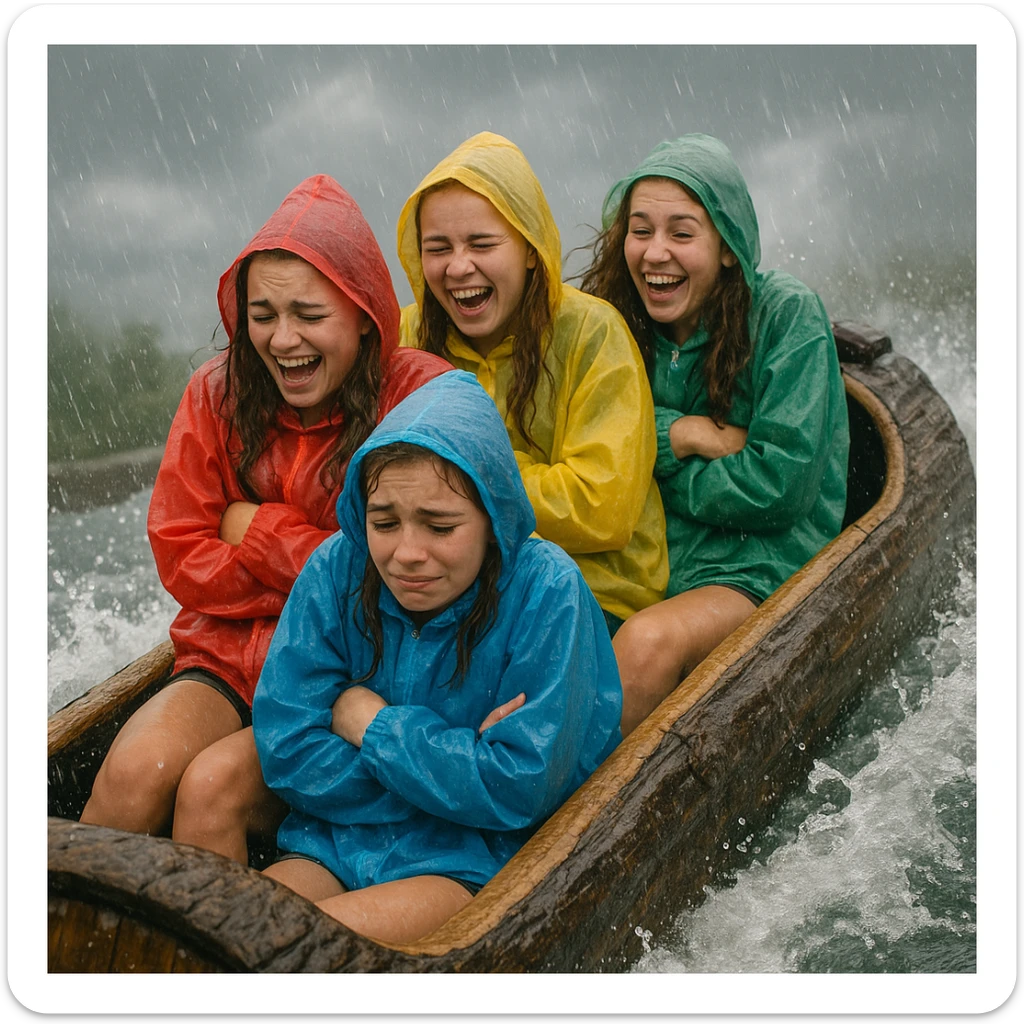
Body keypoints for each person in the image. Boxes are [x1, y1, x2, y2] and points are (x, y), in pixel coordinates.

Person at [79, 175, 452, 851]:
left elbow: (402, 573)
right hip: (226, 659)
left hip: (359, 674)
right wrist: (315, 566)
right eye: (263, 314)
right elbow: (181, 551)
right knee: (135, 775)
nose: (282, 340)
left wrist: (253, 528)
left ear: (365, 313)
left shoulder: (421, 395)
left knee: (208, 790)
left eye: (309, 316)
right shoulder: (214, 393)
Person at [252, 370, 622, 944]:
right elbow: (286, 750)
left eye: (440, 526)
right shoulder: (335, 568)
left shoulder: (548, 592)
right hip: (331, 843)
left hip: (471, 863)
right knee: (241, 937)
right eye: (383, 523)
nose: (406, 554)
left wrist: (371, 726)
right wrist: (457, 766)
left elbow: (520, 785)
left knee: (306, 953)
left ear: (494, 520)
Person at [581, 134, 850, 736]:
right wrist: (680, 433)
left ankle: (562, 823)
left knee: (646, 641)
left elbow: (780, 486)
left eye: (682, 233)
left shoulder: (787, 315)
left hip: (759, 564)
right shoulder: (615, 318)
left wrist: (659, 469)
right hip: (649, 553)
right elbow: (586, 440)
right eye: (640, 230)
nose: (655, 253)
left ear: (727, 247)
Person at [396, 131, 668, 637]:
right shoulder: (406, 336)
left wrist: (467, 479)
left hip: (592, 592)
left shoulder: (592, 332)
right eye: (438, 248)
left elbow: (601, 508)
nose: (458, 267)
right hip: (447, 592)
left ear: (529, 248)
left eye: (481, 243)